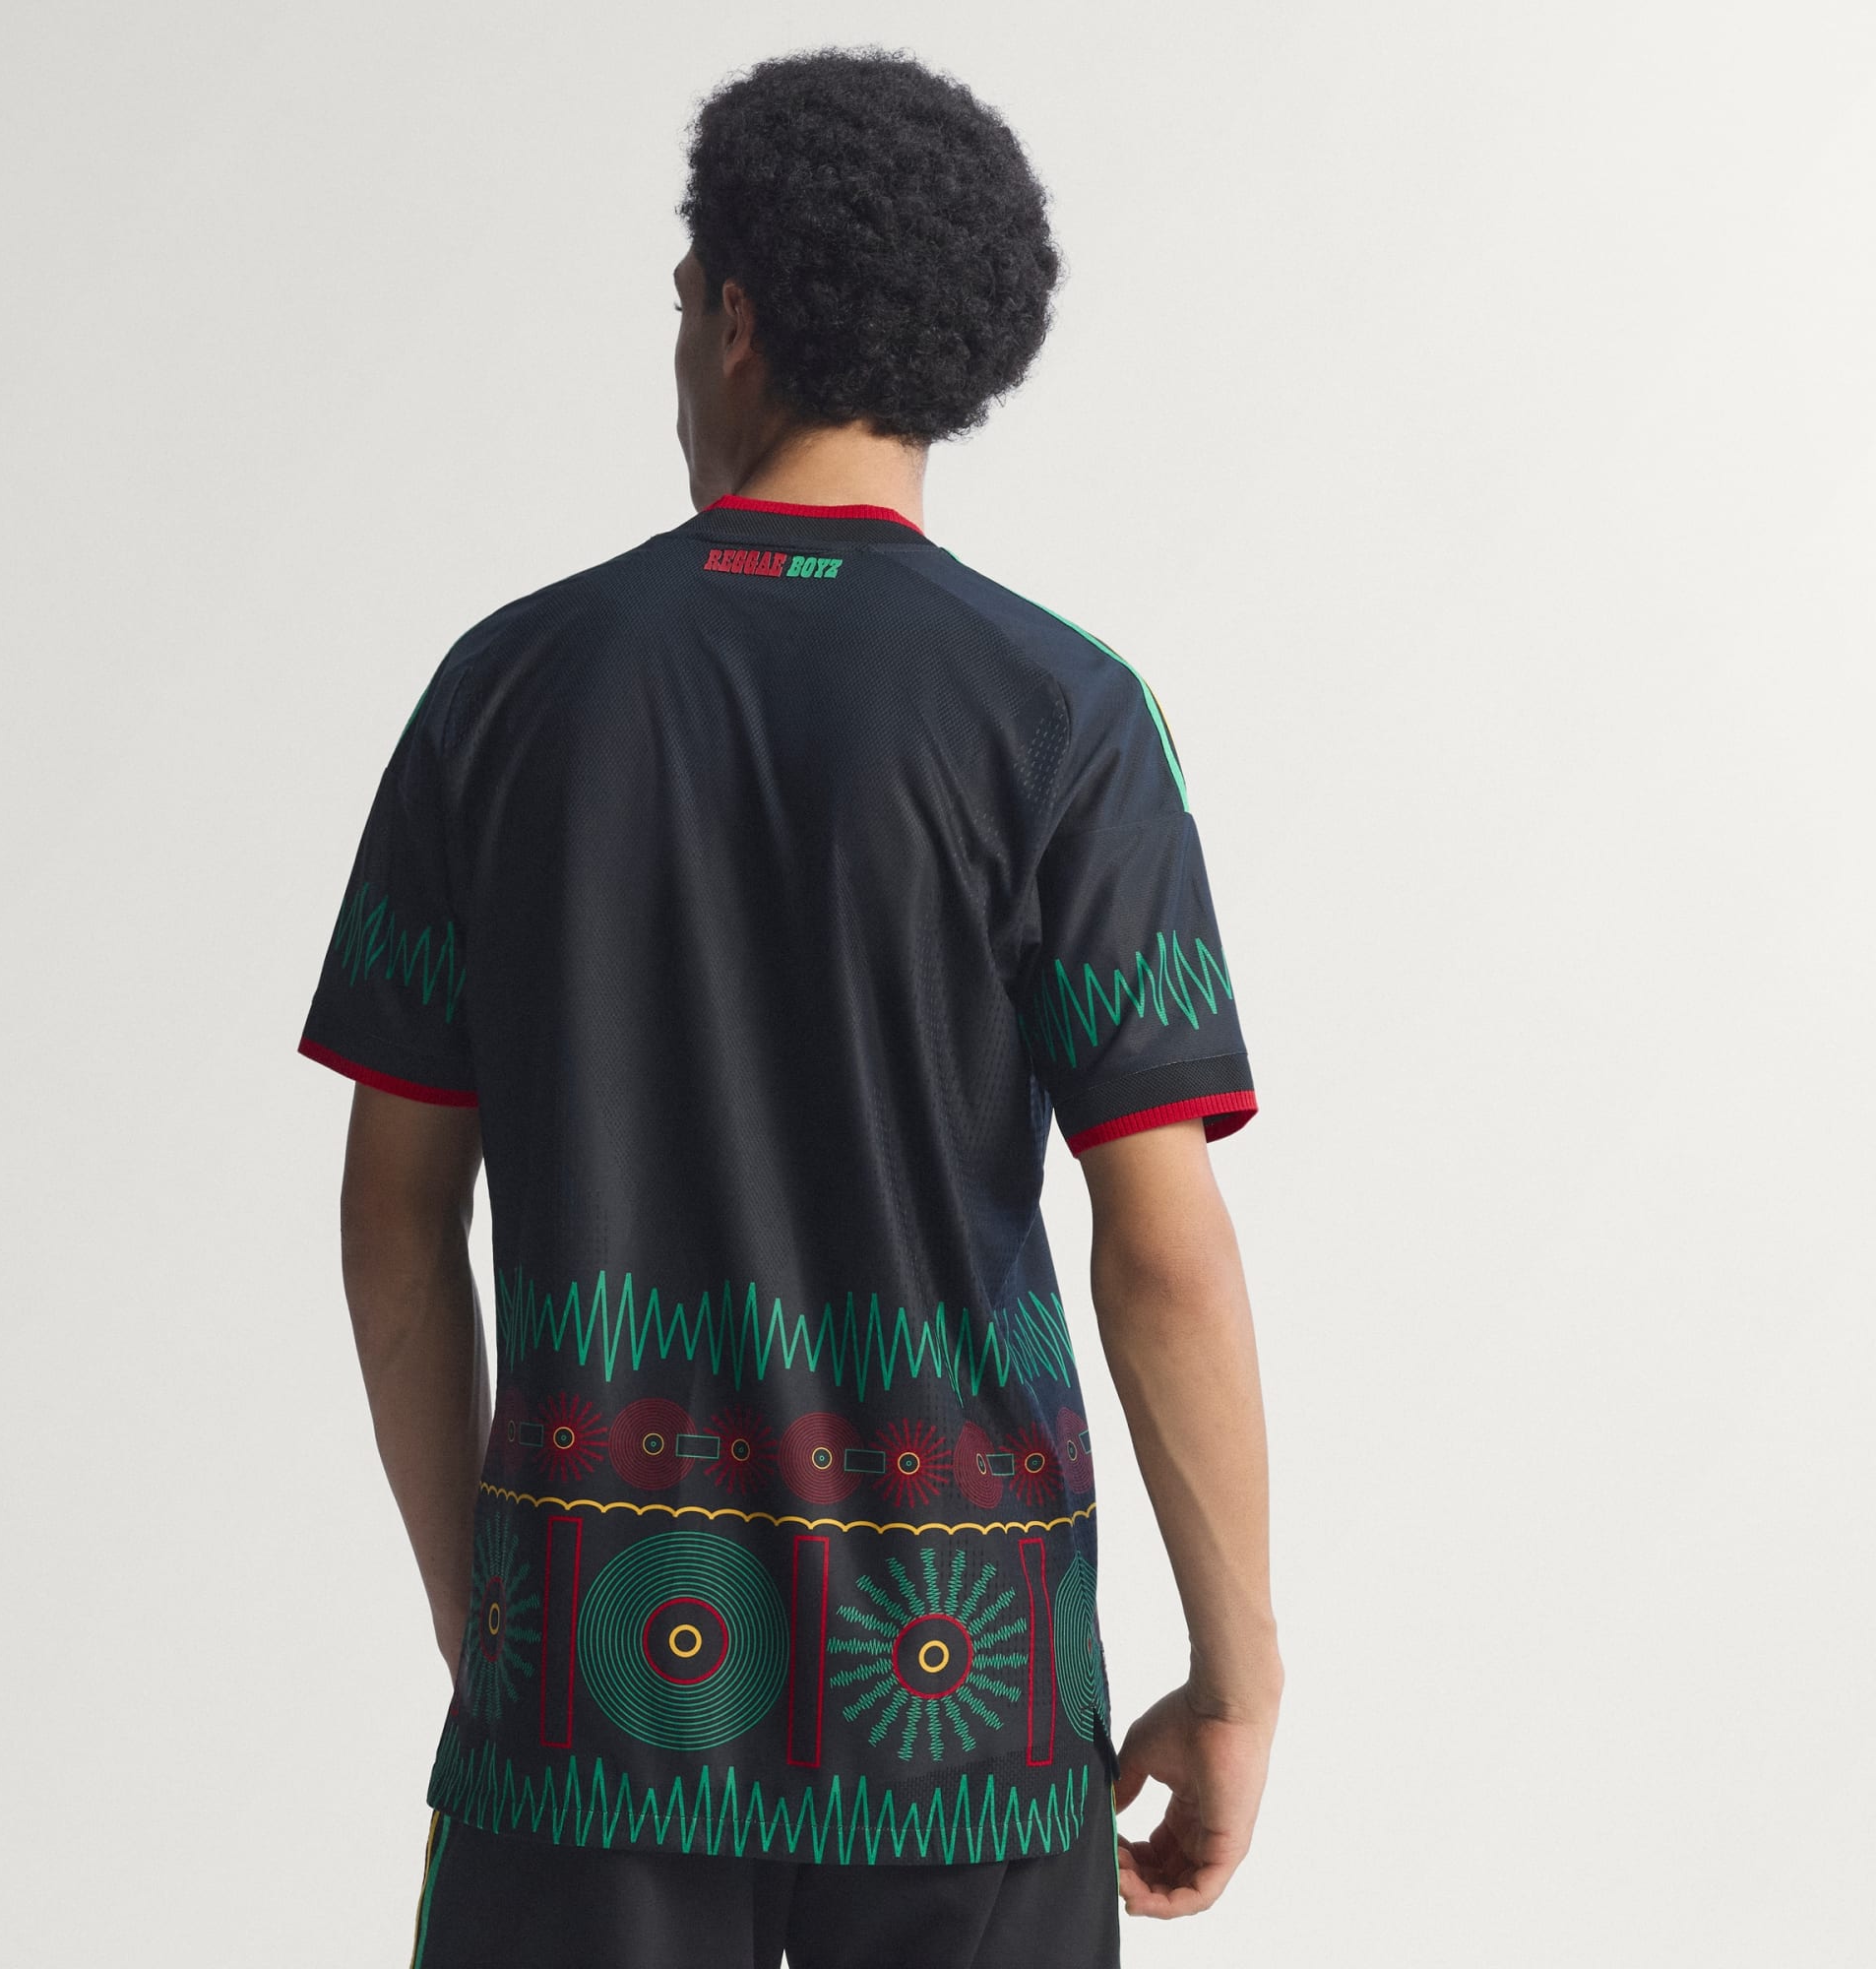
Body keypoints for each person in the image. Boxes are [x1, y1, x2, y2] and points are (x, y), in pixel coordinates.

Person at [298, 46, 1281, 1969]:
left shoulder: (505, 693)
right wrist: (1236, 1678)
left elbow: (390, 1215)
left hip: (588, 1712)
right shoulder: (1064, 719)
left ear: (735, 318)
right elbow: (1162, 1250)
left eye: (683, 303)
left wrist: (502, 1630)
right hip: (965, 1712)